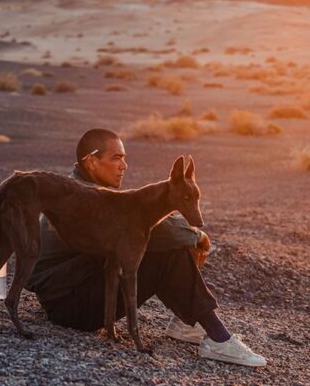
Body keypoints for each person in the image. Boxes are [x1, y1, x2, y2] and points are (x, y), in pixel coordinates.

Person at [24, 128, 266, 367]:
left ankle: (186, 323)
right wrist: (198, 236)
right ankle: (218, 338)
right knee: (168, 253)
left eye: (124, 158)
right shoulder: (85, 198)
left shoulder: (78, 190)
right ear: (91, 162)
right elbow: (164, 231)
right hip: (73, 307)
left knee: (155, 246)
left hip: (67, 298)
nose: (124, 166)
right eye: (116, 158)